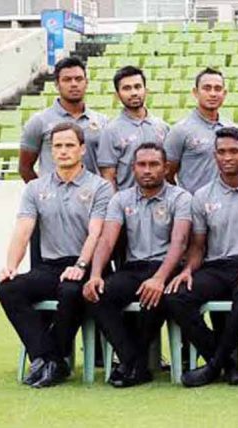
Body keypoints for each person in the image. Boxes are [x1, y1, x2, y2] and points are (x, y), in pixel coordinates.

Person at [0, 122, 112, 388]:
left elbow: (95, 233)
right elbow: (23, 230)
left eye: (69, 145)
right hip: (50, 266)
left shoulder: (100, 187)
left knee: (71, 290)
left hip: (89, 264)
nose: (63, 151)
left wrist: (81, 265)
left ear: (82, 149)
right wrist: (11, 266)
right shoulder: (36, 188)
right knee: (8, 289)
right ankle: (50, 358)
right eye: (57, 146)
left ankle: (50, 361)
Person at [163, 127, 238, 387]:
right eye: (221, 152)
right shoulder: (202, 196)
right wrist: (188, 270)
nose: (227, 157)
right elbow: (199, 246)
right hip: (215, 266)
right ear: (215, 156)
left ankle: (214, 366)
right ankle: (225, 361)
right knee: (176, 296)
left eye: (233, 151)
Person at [83, 143, 191, 387]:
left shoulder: (181, 197)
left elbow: (180, 242)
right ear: (133, 168)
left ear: (166, 168)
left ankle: (131, 365)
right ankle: (134, 361)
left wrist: (160, 278)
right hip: (133, 267)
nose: (147, 170)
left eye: (154, 164)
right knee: (98, 295)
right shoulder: (120, 199)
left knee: (155, 297)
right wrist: (96, 274)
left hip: (167, 266)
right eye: (142, 165)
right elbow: (107, 239)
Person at [20, 57, 108, 181]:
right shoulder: (39, 121)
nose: (74, 84)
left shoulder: (102, 121)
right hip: (53, 198)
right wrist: (41, 194)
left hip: (90, 197)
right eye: (67, 80)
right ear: (57, 84)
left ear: (86, 83)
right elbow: (25, 167)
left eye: (78, 79)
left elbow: (108, 167)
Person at [97, 66, 169, 191]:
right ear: (117, 95)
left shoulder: (162, 127)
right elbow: (108, 176)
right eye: (127, 88)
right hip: (127, 205)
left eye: (138, 87)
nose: (134, 92)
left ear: (146, 90)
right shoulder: (110, 131)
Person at [164, 68, 234, 194]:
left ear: (224, 93)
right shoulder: (181, 130)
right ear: (195, 92)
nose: (212, 94)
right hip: (193, 206)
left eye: (217, 89)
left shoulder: (232, 129)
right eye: (207, 88)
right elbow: (167, 174)